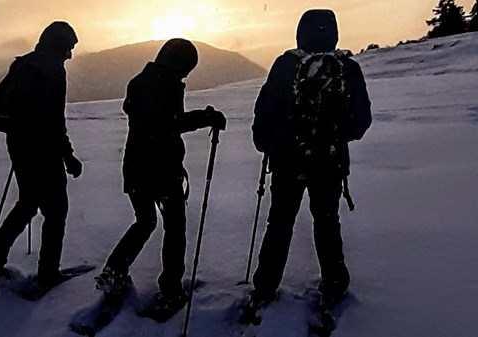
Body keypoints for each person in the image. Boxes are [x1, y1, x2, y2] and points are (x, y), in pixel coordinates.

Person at [248, 9, 372, 310]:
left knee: (279, 222)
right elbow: (361, 121)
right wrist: (336, 137)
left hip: (288, 161)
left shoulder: (284, 66)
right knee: (327, 221)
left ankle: (264, 287)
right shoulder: (347, 68)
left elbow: (264, 112)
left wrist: (266, 144)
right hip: (329, 163)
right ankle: (334, 283)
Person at [96, 38, 226, 315]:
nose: (186, 74)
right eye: (187, 67)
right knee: (174, 228)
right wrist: (206, 117)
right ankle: (170, 289)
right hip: (162, 169)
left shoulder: (140, 81)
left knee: (144, 222)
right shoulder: (165, 84)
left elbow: (149, 120)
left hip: (135, 167)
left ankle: (114, 270)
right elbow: (169, 124)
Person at [0, 21, 83, 287]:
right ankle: (48, 273)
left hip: (18, 143)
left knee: (27, 203)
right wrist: (68, 156)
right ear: (59, 45)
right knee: (56, 210)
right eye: (69, 48)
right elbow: (54, 121)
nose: (70, 55)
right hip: (43, 149)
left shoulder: (23, 63)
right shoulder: (53, 71)